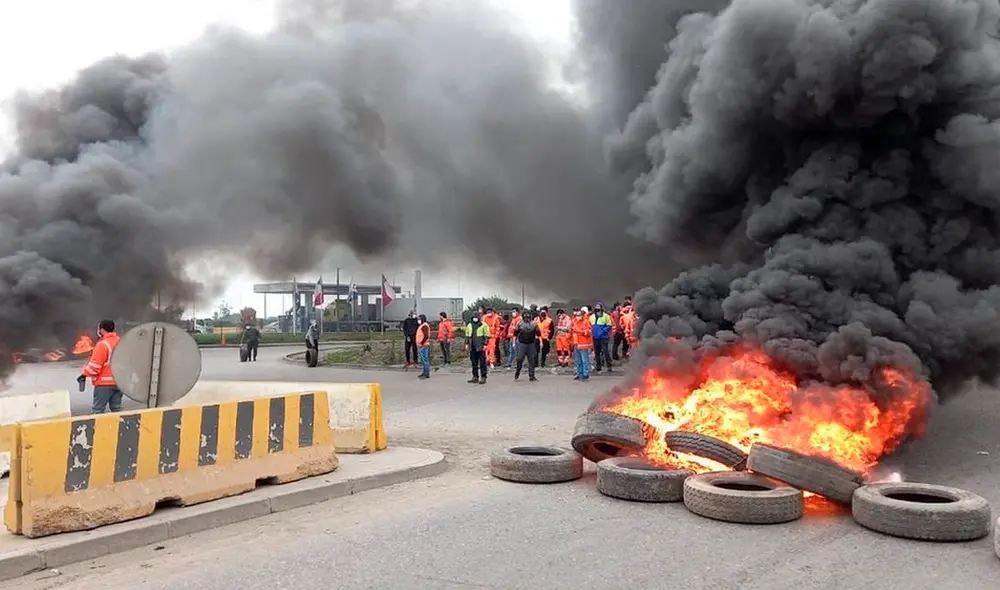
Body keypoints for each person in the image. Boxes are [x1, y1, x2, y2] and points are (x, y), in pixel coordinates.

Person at [81, 319, 123, 414]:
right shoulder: (121, 341)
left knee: (98, 410)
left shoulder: (103, 345)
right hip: (119, 382)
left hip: (104, 384)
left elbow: (95, 367)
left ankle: (99, 429)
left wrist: (84, 373)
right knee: (117, 409)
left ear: (102, 330)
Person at [464, 314, 491, 384]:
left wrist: (485, 344)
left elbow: (487, 335)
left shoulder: (483, 325)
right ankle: (475, 376)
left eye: (476, 318)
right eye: (474, 318)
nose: (475, 319)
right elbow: (467, 335)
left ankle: (483, 377)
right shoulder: (469, 325)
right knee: (474, 363)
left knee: (482, 362)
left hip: (480, 346)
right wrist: (466, 344)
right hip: (472, 346)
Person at [513, 311, 540, 381]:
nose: (527, 319)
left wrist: (541, 342)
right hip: (522, 344)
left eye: (528, 317)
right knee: (519, 359)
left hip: (531, 344)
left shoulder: (534, 324)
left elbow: (539, 333)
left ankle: (532, 376)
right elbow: (515, 334)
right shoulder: (519, 323)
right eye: (525, 317)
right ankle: (517, 371)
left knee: (532, 360)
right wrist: (514, 342)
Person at [590, 302, 613, 372]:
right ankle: (598, 366)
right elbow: (589, 325)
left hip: (604, 337)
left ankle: (609, 365)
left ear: (601, 307)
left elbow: (609, 325)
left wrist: (602, 331)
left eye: (598, 306)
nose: (597, 308)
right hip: (595, 337)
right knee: (597, 352)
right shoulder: (592, 316)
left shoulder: (606, 316)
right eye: (596, 306)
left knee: (605, 351)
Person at [571, 309, 593, 381]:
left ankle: (585, 374)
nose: (577, 317)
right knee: (578, 360)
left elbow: (589, 332)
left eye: (578, 315)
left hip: (583, 344)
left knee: (584, 360)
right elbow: (572, 330)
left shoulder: (586, 322)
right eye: (576, 315)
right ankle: (579, 374)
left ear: (582, 315)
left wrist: (579, 331)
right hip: (576, 343)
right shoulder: (574, 321)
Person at [415, 314, 432, 379]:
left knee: (425, 360)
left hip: (423, 345)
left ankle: (426, 374)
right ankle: (424, 373)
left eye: (419, 319)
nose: (418, 320)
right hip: (421, 345)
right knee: (423, 360)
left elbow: (426, 336)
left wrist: (421, 343)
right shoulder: (422, 325)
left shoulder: (424, 326)